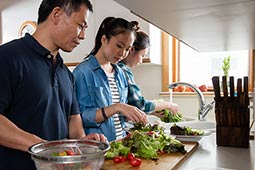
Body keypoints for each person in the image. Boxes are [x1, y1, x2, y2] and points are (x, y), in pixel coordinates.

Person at [0, 1, 106, 169]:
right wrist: (42, 147)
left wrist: (82, 143)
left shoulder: (66, 73)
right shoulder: (7, 57)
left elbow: (73, 118)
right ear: (57, 15)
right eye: (81, 26)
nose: (83, 35)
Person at [73, 17, 148, 142]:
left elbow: (117, 117)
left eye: (128, 49)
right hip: (98, 147)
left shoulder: (120, 74)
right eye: (119, 46)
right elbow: (81, 118)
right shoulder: (83, 72)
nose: (122, 53)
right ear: (104, 39)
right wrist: (117, 107)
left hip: (120, 146)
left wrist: (132, 115)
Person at [118, 21, 178, 117]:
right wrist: (168, 105)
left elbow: (129, 105)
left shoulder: (119, 69)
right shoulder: (123, 70)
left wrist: (153, 111)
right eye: (142, 55)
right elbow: (140, 104)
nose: (141, 60)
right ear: (132, 49)